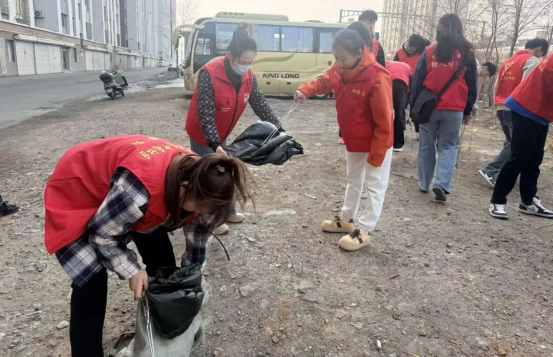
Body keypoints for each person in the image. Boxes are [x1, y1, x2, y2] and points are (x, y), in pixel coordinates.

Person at [44, 136, 251, 357]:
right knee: (92, 282)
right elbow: (102, 234)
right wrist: (132, 270)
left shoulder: (208, 182)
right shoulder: (138, 192)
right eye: (198, 208)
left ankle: (160, 326)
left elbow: (198, 240)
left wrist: (191, 277)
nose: (201, 214)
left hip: (127, 197)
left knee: (164, 267)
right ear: (185, 186)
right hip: (79, 188)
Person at [294, 29, 393, 252]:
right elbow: (324, 81)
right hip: (354, 139)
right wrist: (305, 91)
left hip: (377, 142)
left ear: (359, 53)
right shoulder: (340, 68)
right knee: (353, 179)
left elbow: (384, 123)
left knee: (374, 185)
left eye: (343, 58)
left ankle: (364, 230)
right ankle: (347, 219)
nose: (339, 63)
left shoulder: (378, 76)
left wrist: (377, 156)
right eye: (336, 57)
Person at [185, 23, 281, 235]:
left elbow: (260, 104)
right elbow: (206, 113)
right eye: (243, 62)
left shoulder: (249, 77)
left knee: (227, 170)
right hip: (203, 133)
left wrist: (279, 128)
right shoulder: (210, 74)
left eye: (250, 62)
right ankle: (207, 218)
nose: (246, 66)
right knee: (208, 174)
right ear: (230, 56)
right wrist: (215, 144)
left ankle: (227, 210)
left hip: (223, 132)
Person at [410, 14, 478, 203]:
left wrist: (413, 106)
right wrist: (468, 109)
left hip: (428, 108)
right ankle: (441, 183)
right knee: (449, 146)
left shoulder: (429, 51)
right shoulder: (467, 53)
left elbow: (418, 81)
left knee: (426, 145)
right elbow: (472, 84)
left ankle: (424, 184)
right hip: (454, 108)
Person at [489, 53, 553, 220]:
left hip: (542, 113)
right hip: (526, 107)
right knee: (519, 157)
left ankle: (528, 201)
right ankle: (497, 201)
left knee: (534, 159)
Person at [479, 39, 549, 187]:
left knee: (510, 142)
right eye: (542, 54)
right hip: (517, 109)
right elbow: (528, 87)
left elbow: (496, 86)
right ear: (539, 49)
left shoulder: (509, 62)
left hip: (502, 106)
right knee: (515, 144)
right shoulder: (532, 62)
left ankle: (505, 175)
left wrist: (496, 105)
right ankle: (491, 170)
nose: (541, 57)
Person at [386, 61, 413, 151]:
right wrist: (404, 107)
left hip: (386, 82)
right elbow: (411, 87)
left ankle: (385, 140)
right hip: (401, 84)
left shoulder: (386, 63)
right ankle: (398, 144)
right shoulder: (407, 67)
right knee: (399, 113)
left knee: (384, 112)